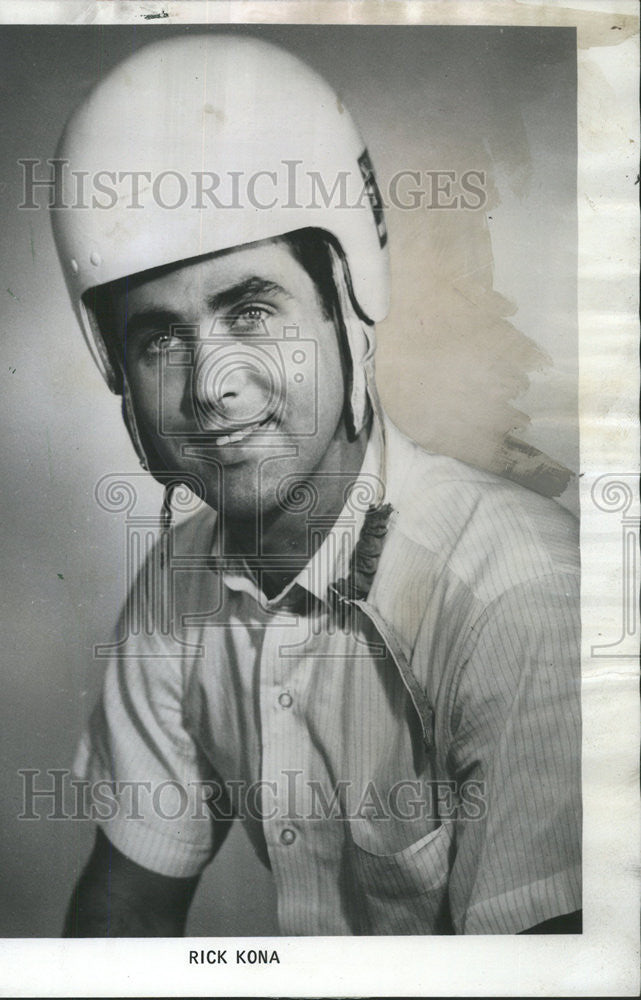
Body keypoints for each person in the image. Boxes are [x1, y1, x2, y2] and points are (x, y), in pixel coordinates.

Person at [51, 34, 581, 936]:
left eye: (251, 311)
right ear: (117, 372)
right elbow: (120, 926)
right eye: (158, 338)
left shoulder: (518, 597)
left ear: (345, 300)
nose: (211, 385)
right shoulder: (178, 584)